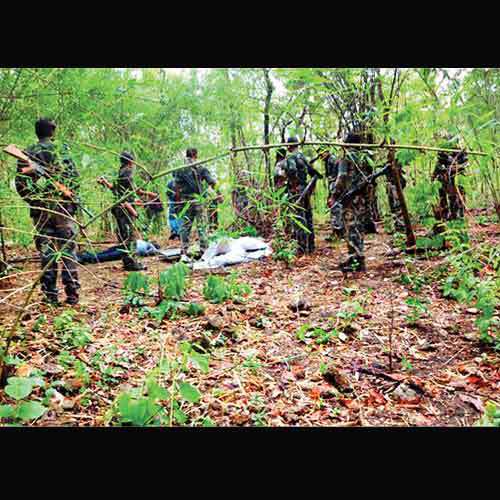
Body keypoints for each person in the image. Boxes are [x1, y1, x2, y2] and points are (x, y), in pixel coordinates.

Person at [15, 117, 80, 305]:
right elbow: (74, 179)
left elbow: (21, 184)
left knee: (47, 252)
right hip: (62, 209)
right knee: (67, 251)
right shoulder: (61, 150)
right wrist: (71, 201)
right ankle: (72, 295)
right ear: (52, 131)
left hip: (41, 210)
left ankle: (50, 295)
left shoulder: (28, 152)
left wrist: (35, 202)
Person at [328, 132, 371, 272]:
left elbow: (341, 177)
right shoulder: (364, 158)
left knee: (352, 228)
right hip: (361, 198)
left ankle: (356, 260)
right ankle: (358, 258)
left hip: (350, 198)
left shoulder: (346, 158)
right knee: (359, 228)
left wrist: (334, 195)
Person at [173, 148, 218, 262]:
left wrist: (178, 203)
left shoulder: (180, 169)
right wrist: (218, 194)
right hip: (198, 200)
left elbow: (176, 187)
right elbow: (211, 182)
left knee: (185, 226)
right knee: (202, 225)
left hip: (185, 202)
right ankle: (204, 251)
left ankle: (184, 251)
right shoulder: (200, 168)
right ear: (195, 155)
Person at [284, 137, 323, 255]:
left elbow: (291, 170)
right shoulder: (302, 157)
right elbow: (313, 171)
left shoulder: (291, 156)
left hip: (297, 191)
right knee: (307, 216)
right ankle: (310, 246)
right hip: (305, 189)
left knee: (299, 218)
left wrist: (294, 185)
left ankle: (301, 249)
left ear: (289, 146)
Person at [111, 151, 146, 271]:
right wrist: (133, 207)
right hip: (124, 209)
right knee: (129, 236)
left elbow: (118, 191)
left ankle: (127, 262)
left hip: (120, 208)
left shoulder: (120, 172)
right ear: (131, 162)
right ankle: (132, 263)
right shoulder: (127, 172)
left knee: (123, 235)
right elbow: (131, 192)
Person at [432, 137, 468, 221]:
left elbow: (465, 163)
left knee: (457, 196)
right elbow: (439, 164)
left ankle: (458, 216)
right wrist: (436, 174)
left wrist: (456, 168)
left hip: (457, 177)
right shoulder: (442, 152)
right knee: (443, 196)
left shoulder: (461, 152)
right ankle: (445, 216)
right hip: (444, 177)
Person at [321, 150, 344, 240]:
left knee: (336, 208)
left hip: (336, 185)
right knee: (334, 207)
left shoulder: (332, 160)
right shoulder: (328, 160)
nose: (321, 156)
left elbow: (338, 176)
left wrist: (333, 192)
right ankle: (337, 232)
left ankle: (338, 233)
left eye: (322, 153)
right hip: (334, 185)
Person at [78, 240, 160, 264]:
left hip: (131, 247)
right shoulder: (149, 245)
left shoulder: (147, 244)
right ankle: (88, 256)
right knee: (109, 253)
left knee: (109, 253)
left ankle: (87, 257)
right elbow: (155, 251)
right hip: (131, 247)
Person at [385, 149, 406, 233]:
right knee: (393, 207)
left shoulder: (397, 161)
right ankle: (397, 226)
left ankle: (401, 227)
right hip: (391, 185)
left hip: (395, 186)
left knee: (397, 206)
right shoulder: (389, 163)